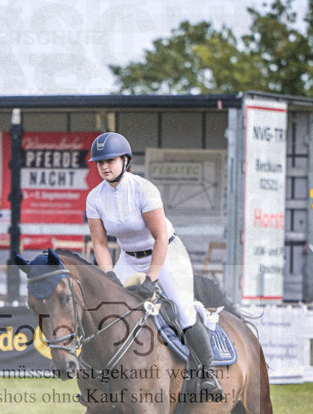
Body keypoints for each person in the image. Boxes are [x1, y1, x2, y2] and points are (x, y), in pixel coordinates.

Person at [85, 131, 220, 393]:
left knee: (182, 309)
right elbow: (100, 244)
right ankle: (101, 376)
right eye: (99, 162)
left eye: (110, 160)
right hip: (129, 258)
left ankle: (208, 373)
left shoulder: (143, 189)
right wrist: (109, 275)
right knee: (107, 311)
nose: (104, 166)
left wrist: (152, 278)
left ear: (125, 160)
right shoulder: (94, 198)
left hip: (166, 253)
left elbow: (159, 237)